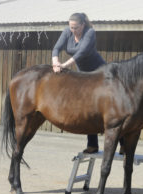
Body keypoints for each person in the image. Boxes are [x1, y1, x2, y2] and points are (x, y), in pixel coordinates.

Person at [52, 13, 124, 154]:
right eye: (70, 27)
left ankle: (124, 144)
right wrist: (55, 62)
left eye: (75, 27)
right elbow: (56, 48)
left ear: (83, 25)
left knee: (111, 108)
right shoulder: (67, 32)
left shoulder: (90, 33)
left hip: (100, 72)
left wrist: (64, 65)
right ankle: (92, 145)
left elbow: (81, 53)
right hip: (84, 74)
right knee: (89, 108)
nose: (72, 30)